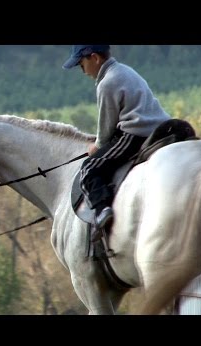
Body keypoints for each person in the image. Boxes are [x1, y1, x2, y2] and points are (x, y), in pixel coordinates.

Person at [63, 45, 170, 228]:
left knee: (89, 169)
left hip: (136, 133)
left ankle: (102, 210)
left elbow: (106, 127)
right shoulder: (125, 70)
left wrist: (97, 147)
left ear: (95, 58)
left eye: (82, 64)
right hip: (160, 127)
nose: (83, 71)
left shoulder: (107, 83)